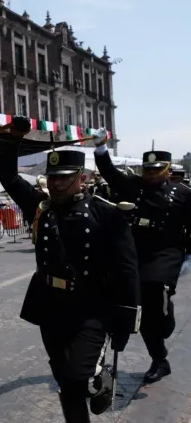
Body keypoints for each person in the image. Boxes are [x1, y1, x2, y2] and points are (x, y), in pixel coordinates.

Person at [0, 142, 141, 422]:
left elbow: (127, 269)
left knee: (77, 375)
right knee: (65, 380)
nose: (57, 183)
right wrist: (11, 139)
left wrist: (126, 321)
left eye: (65, 177)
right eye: (53, 177)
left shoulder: (106, 212)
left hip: (91, 308)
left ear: (82, 178)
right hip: (51, 306)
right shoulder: (41, 208)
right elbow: (9, 178)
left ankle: (101, 375)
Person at [93, 130, 191, 384]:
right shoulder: (133, 186)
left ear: (168, 170)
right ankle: (159, 359)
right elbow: (110, 173)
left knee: (154, 288)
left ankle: (165, 312)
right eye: (147, 169)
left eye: (156, 169)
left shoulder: (182, 194)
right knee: (134, 307)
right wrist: (101, 148)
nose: (150, 173)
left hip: (166, 253)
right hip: (134, 251)